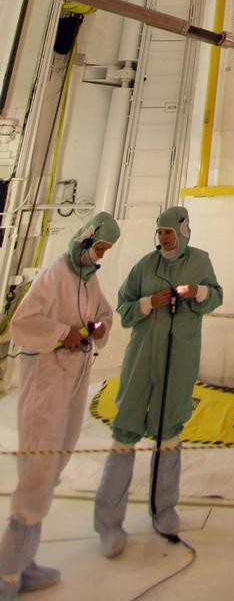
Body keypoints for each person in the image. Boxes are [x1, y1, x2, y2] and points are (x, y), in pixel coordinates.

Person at [0, 212, 120, 597]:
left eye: (105, 250)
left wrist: (97, 328)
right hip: (47, 383)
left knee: (55, 464)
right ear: (85, 239)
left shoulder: (89, 279)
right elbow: (23, 324)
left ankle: (23, 560)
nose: (99, 255)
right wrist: (62, 334)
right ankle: (6, 573)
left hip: (75, 378)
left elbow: (103, 313)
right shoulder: (56, 274)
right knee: (38, 467)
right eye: (98, 246)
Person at [93, 205, 222, 557]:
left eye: (169, 232)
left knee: (169, 434)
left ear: (183, 231)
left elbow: (216, 296)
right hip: (141, 359)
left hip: (178, 359)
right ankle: (108, 523)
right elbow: (124, 305)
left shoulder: (200, 261)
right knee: (125, 431)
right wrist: (150, 302)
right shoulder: (144, 266)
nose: (164, 238)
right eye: (160, 232)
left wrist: (197, 292)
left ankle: (164, 510)